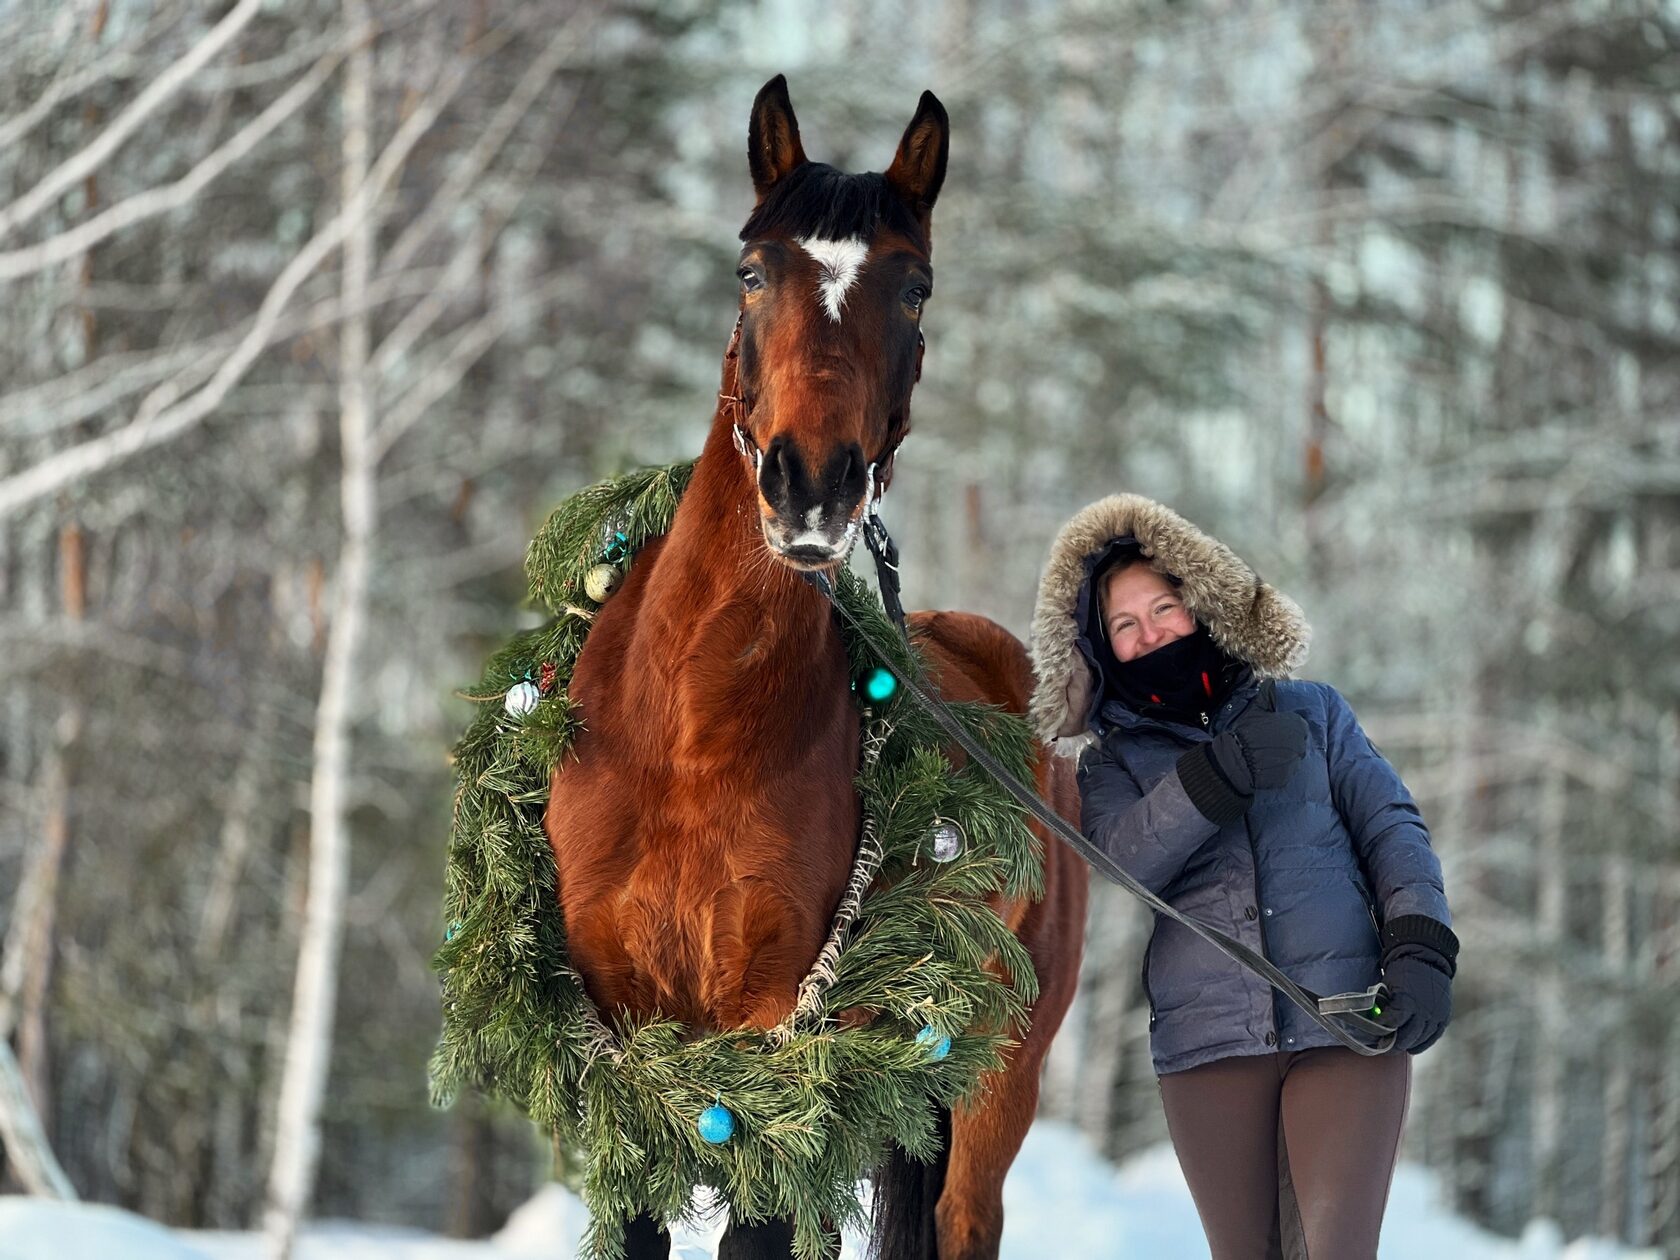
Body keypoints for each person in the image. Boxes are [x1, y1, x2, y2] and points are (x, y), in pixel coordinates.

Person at [1027, 493, 1457, 1260]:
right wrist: (1214, 776)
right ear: (1101, 653)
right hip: (1208, 1049)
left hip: (1346, 1021)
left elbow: (1393, 827)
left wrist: (1421, 948)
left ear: (1204, 602)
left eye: (1163, 607)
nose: (1150, 632)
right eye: (1125, 626)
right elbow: (1122, 861)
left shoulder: (1315, 714)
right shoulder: (1111, 766)